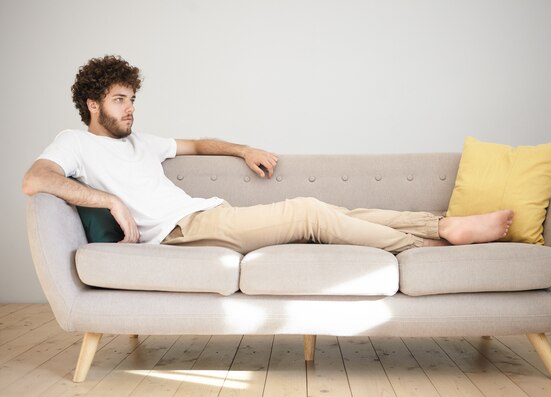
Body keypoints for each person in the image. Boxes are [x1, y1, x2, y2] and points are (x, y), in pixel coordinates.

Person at [22, 55, 513, 254]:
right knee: (308, 212)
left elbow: (197, 144)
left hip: (210, 215)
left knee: (337, 211)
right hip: (184, 233)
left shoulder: (139, 142)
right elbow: (35, 179)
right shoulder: (75, 143)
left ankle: (442, 225)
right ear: (92, 105)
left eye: (132, 99)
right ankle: (430, 251)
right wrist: (109, 201)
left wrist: (243, 149)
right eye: (119, 101)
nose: (130, 110)